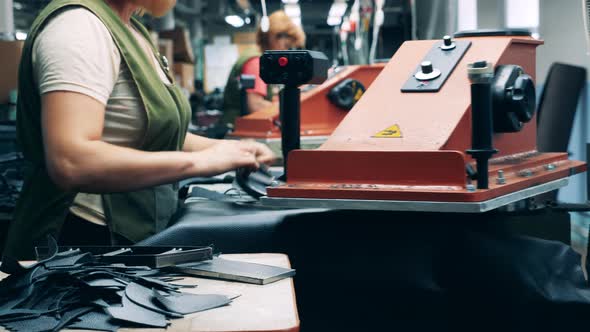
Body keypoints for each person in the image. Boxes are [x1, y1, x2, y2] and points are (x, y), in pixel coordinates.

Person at [4, 0, 275, 259]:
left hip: (129, 236)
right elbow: (71, 161)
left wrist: (227, 149)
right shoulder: (79, 26)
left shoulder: (131, 29)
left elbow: (156, 132)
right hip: (78, 245)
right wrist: (200, 161)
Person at [221, 10, 306, 128]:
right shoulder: (257, 61)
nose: (286, 51)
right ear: (275, 37)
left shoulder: (259, 57)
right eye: (287, 46)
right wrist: (290, 109)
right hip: (237, 129)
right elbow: (255, 105)